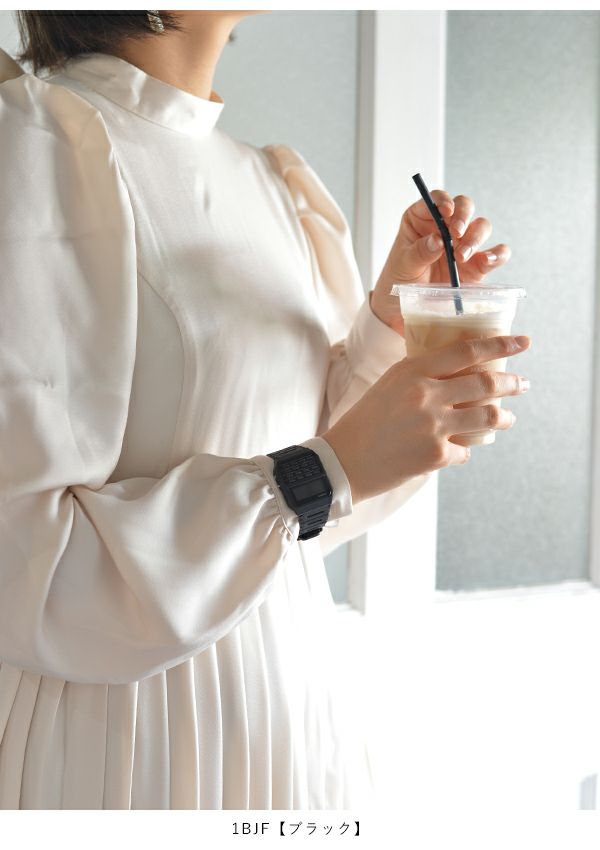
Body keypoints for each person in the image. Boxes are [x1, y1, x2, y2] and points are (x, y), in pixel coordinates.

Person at [0, 10, 530, 810]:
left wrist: (387, 328)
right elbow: (24, 566)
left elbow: (312, 513)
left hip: (295, 727)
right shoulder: (36, 146)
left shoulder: (271, 180)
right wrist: (320, 475)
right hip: (126, 749)